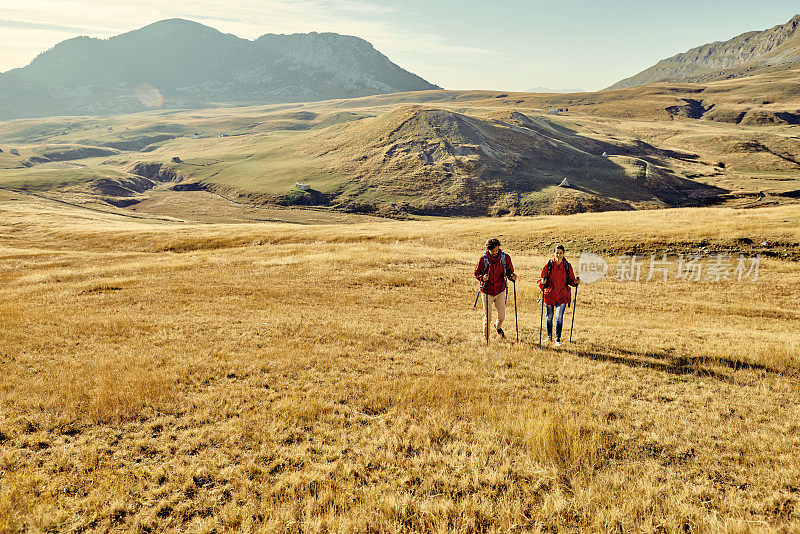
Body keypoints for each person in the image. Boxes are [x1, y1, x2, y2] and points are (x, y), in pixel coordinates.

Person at [537, 245, 580, 347]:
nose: (558, 255)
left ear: (563, 254)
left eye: (560, 253)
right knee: (549, 317)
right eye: (557, 253)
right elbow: (540, 280)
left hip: (562, 295)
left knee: (559, 317)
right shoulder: (549, 265)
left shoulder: (567, 266)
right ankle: (549, 337)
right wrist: (542, 282)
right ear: (554, 253)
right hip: (550, 295)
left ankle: (557, 339)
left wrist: (575, 282)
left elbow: (571, 281)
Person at [475, 238, 516, 339]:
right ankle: (486, 339)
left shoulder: (505, 258)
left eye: (496, 250)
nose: (495, 252)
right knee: (487, 318)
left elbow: (510, 271)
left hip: (500, 290)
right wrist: (482, 278)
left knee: (502, 316)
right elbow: (476, 273)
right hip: (487, 291)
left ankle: (497, 327)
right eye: (492, 251)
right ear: (488, 250)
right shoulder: (483, 259)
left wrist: (512, 276)